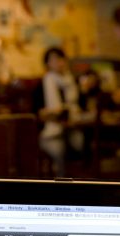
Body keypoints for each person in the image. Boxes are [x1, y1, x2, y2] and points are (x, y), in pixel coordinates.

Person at [32, 47, 84, 178]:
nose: (59, 63)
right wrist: (51, 114)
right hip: (50, 131)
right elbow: (36, 113)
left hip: (73, 127)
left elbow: (81, 106)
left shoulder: (72, 82)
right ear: (47, 64)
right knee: (58, 149)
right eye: (54, 60)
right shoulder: (41, 85)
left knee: (80, 143)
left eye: (61, 59)